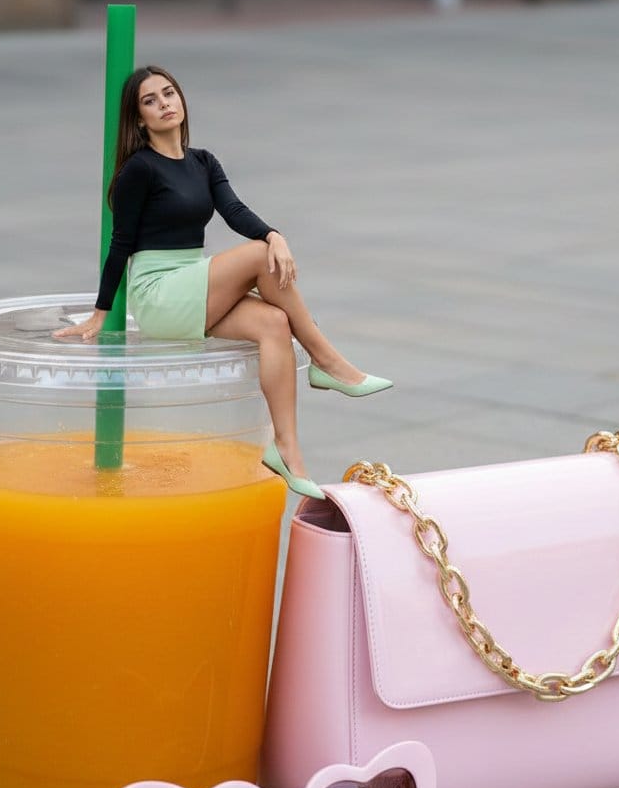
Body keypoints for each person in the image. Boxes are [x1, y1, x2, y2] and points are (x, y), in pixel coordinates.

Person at [53, 64, 392, 500]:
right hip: (161, 291)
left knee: (273, 322)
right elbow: (120, 244)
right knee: (258, 255)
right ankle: (327, 361)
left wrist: (275, 234)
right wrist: (101, 312)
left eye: (169, 93)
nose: (164, 104)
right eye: (150, 101)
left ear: (181, 100)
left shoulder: (202, 162)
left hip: (195, 282)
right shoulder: (140, 170)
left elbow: (235, 212)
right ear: (139, 119)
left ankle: (287, 451)